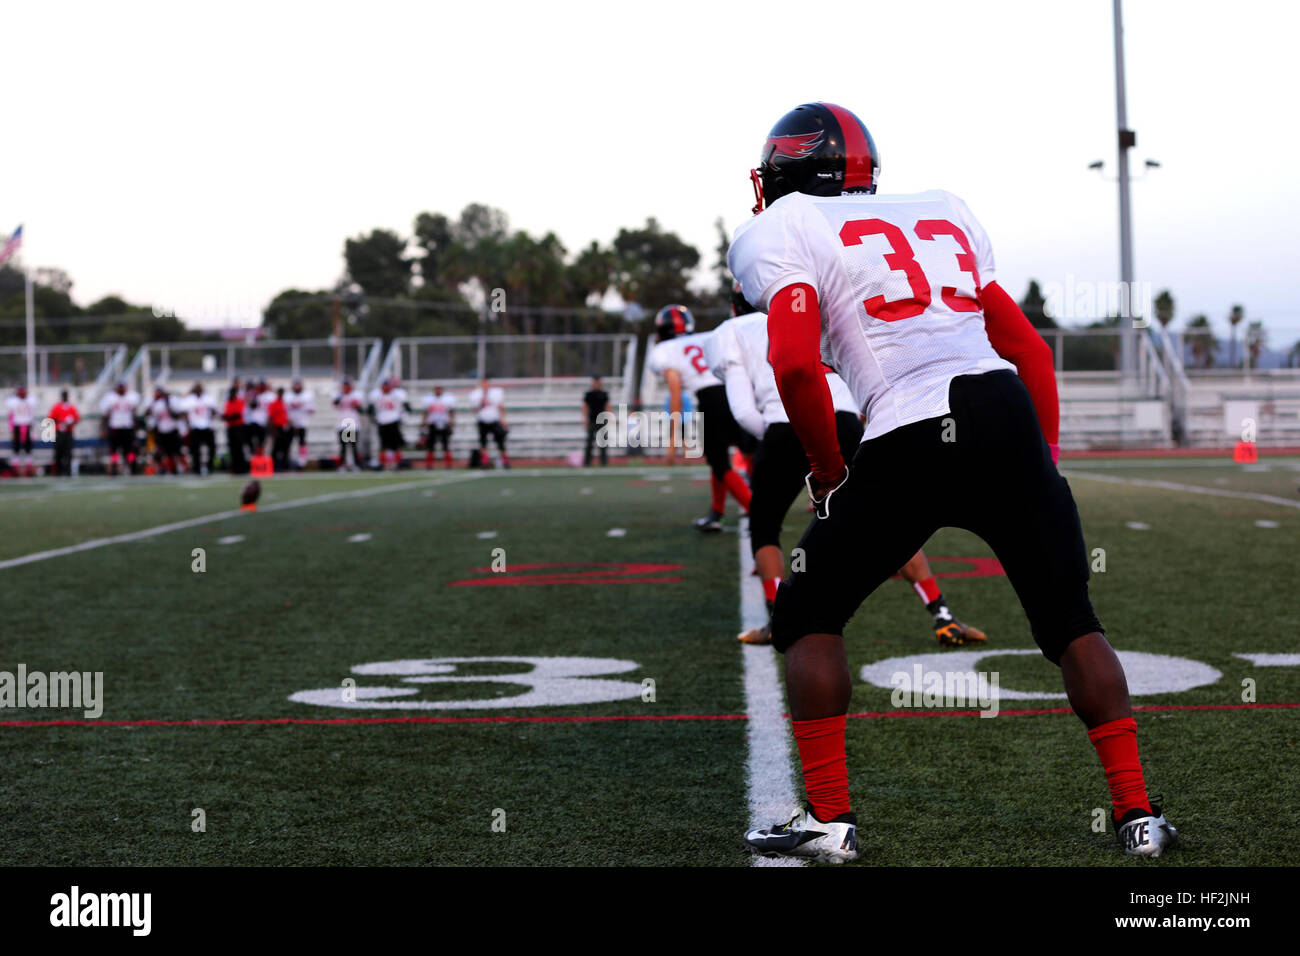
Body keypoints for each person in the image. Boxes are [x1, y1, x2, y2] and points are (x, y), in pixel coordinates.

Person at [730, 102, 1174, 862]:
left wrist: (830, 473)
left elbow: (796, 364)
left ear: (779, 174)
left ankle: (830, 822)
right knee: (1071, 621)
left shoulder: (781, 228)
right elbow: (1029, 350)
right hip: (1004, 414)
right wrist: (1045, 464)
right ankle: (1139, 817)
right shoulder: (945, 210)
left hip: (909, 429)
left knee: (806, 613)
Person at [711, 308, 985, 648]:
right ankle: (942, 615)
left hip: (784, 424)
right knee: (893, 523)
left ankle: (777, 619)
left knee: (764, 525)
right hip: (843, 421)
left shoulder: (732, 330)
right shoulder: (823, 308)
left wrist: (776, 439)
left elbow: (743, 411)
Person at [645, 305, 753, 531]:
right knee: (736, 454)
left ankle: (758, 512)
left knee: (720, 463)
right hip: (735, 389)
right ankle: (717, 513)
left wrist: (673, 440)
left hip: (711, 400)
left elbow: (675, 393)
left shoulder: (664, 350)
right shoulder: (709, 337)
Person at [467, 376, 510, 469]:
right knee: (483, 443)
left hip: (494, 420)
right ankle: (485, 462)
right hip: (482, 421)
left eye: (486, 383)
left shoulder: (496, 393)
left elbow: (501, 407)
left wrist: (503, 420)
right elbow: (474, 410)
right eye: (483, 383)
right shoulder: (476, 395)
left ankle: (505, 461)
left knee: (500, 442)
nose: (485, 385)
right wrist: (480, 403)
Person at [99, 381, 140, 476]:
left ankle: (132, 468)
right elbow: (106, 415)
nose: (121, 389)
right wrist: (103, 429)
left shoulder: (131, 397)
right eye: (120, 387)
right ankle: (114, 468)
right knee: (114, 450)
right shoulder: (111, 398)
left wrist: (135, 428)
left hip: (127, 427)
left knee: (130, 450)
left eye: (123, 387)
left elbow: (134, 413)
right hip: (115, 427)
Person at [369, 377, 410, 470]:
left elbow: (406, 407)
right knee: (383, 444)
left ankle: (397, 463)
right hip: (382, 421)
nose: (385, 388)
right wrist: (373, 418)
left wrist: (402, 416)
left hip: (393, 420)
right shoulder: (376, 395)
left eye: (387, 386)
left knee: (395, 444)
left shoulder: (397, 394)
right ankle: (383, 463)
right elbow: (371, 409)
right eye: (384, 386)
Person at [182, 383, 219, 476]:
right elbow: (183, 411)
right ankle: (197, 469)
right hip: (195, 427)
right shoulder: (190, 399)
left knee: (212, 448)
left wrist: (211, 420)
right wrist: (188, 424)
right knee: (195, 450)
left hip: (207, 426)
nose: (198, 390)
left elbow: (215, 410)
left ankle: (210, 467)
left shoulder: (208, 398)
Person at [147, 387, 185, 474]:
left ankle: (176, 468)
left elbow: (177, 416)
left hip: (172, 429)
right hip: (161, 431)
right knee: (162, 452)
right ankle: (163, 468)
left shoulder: (173, 402)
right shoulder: (156, 404)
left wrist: (168, 405)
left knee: (175, 452)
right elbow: (150, 415)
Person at [332, 379, 365, 472]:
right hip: (342, 423)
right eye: (344, 386)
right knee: (343, 446)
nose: (346, 388)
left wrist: (356, 404)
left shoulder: (356, 395)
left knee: (353, 446)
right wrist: (342, 395)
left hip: (353, 423)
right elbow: (334, 404)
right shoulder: (338, 395)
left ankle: (355, 464)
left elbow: (360, 409)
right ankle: (343, 465)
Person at [421, 385, 456, 469]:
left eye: (439, 389)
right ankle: (429, 464)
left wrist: (451, 420)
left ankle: (449, 464)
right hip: (433, 424)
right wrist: (423, 421)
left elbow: (451, 411)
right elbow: (426, 411)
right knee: (431, 445)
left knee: (446, 445)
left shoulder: (447, 399)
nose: (438, 391)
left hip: (444, 423)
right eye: (436, 389)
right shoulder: (429, 400)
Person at [6, 385, 38, 477]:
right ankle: (19, 469)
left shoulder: (14, 401)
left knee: (25, 449)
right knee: (19, 449)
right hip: (22, 424)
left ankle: (24, 468)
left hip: (22, 424)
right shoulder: (29, 401)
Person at [47, 390, 80, 476]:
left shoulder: (71, 407)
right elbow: (51, 418)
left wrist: (70, 422)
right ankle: (58, 472)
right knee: (58, 453)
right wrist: (60, 421)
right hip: (59, 433)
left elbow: (77, 419)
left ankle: (68, 472)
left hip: (68, 433)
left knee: (68, 453)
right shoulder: (57, 407)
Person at [285, 379, 315, 470]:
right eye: (295, 385)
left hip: (302, 423)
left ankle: (302, 462)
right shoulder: (288, 396)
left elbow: (312, 410)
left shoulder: (307, 395)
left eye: (298, 385)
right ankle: (287, 461)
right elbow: (284, 410)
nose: (297, 387)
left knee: (302, 442)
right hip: (290, 423)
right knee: (288, 443)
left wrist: (301, 406)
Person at [582, 376, 611, 466]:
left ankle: (604, 462)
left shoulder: (604, 394)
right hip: (592, 420)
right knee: (589, 443)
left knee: (602, 444)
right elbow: (585, 407)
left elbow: (607, 406)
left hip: (602, 421)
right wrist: (585, 419)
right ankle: (587, 462)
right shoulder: (589, 394)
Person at [222, 385, 248, 474]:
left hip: (238, 427)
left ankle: (241, 468)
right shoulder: (228, 402)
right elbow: (226, 415)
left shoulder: (239, 401)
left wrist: (228, 417)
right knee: (232, 449)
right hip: (231, 427)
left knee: (239, 448)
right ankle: (235, 468)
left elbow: (237, 415)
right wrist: (227, 417)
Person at [268, 387, 291, 471]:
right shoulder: (274, 403)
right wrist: (273, 430)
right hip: (277, 428)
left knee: (285, 448)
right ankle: (272, 466)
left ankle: (284, 466)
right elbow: (271, 417)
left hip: (284, 427)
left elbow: (285, 416)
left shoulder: (283, 403)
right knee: (275, 448)